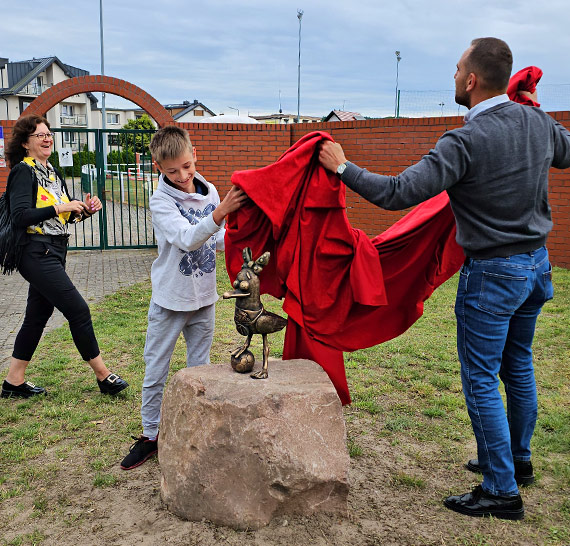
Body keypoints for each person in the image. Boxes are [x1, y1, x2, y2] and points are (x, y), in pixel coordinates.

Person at [319, 37, 570, 520]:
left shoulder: (466, 140)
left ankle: (501, 488)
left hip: (494, 274)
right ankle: (516, 460)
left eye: (457, 69)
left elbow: (397, 194)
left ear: (472, 80)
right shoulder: (537, 122)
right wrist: (536, 113)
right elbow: (567, 154)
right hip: (536, 266)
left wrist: (343, 166)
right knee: (517, 364)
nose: (454, 76)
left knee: (480, 377)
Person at [120, 126, 247, 470]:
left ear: (195, 155)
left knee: (199, 369)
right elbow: (187, 238)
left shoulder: (210, 193)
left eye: (187, 166)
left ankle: (193, 427)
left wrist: (242, 238)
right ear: (158, 167)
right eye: (172, 170)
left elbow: (216, 240)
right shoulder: (160, 200)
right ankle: (150, 436)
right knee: (156, 370)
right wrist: (220, 213)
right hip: (169, 301)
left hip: (203, 298)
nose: (181, 175)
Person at [1, 114, 128, 398]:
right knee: (78, 310)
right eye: (40, 135)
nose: (47, 139)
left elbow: (66, 217)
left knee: (37, 314)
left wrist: (84, 210)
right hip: (34, 251)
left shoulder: (52, 172)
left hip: (55, 249)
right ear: (25, 143)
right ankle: (103, 375)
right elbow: (21, 215)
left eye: (49, 134)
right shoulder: (23, 171)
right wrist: (60, 208)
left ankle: (13, 381)